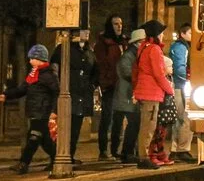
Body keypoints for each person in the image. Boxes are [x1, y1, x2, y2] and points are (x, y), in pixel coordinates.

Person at [0, 44, 58, 174]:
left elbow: (56, 94)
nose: (30, 61)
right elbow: (22, 89)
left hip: (42, 111)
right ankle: (57, 159)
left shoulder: (48, 76)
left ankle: (23, 163)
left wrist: (54, 111)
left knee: (33, 137)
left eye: (33, 58)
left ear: (40, 59)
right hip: (34, 110)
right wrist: (7, 95)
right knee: (44, 139)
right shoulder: (33, 74)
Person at [50, 29, 97, 164]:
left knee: (76, 126)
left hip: (82, 95)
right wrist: (58, 86)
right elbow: (55, 68)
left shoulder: (89, 52)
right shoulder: (63, 49)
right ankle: (57, 156)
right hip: (68, 92)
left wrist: (92, 85)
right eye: (84, 30)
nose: (87, 32)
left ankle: (70, 154)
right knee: (63, 127)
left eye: (88, 30)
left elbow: (95, 71)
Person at [132, 19, 172, 170]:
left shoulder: (143, 47)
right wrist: (169, 89)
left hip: (144, 90)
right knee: (148, 127)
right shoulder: (154, 49)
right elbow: (158, 74)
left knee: (146, 126)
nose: (162, 36)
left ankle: (142, 155)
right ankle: (143, 158)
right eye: (161, 33)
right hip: (152, 93)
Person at [95, 14, 127, 161]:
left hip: (122, 86)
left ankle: (115, 150)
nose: (119, 26)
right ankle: (103, 150)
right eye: (115, 24)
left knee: (119, 118)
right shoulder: (103, 43)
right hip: (110, 85)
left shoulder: (124, 42)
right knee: (107, 117)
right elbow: (101, 64)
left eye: (120, 23)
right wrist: (104, 83)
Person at [112, 27, 145, 163]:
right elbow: (126, 72)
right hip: (126, 96)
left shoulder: (133, 55)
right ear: (137, 42)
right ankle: (125, 152)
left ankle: (124, 152)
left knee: (129, 124)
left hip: (127, 95)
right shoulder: (129, 56)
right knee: (133, 123)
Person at [168, 23, 196, 163]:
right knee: (186, 117)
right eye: (191, 33)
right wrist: (187, 81)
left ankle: (175, 149)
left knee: (178, 119)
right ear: (183, 34)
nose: (193, 35)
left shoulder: (177, 46)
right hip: (182, 86)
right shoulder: (182, 47)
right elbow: (180, 67)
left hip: (178, 85)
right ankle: (183, 149)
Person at [148, 56, 177, 166]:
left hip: (167, 110)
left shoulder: (170, 79)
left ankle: (161, 153)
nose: (172, 68)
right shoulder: (162, 81)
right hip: (162, 110)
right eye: (170, 66)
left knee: (162, 134)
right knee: (157, 134)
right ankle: (153, 154)